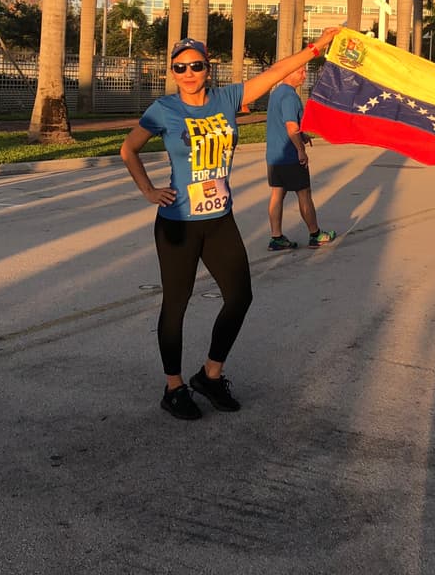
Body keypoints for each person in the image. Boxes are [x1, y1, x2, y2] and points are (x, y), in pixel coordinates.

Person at [120, 27, 340, 421]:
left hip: (220, 220)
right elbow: (128, 149)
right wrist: (149, 190)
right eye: (180, 67)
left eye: (196, 65)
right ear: (172, 72)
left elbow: (275, 73)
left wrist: (316, 47)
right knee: (176, 304)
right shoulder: (164, 109)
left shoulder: (227, 99)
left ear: (208, 68)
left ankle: (210, 375)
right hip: (178, 225)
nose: (188, 73)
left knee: (240, 297)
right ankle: (174, 388)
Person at [265, 64, 336, 251]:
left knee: (277, 193)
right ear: (288, 73)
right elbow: (291, 126)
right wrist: (300, 150)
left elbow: (284, 124)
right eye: (301, 71)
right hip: (290, 156)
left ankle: (276, 237)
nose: (304, 75)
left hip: (274, 156)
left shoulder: (276, 93)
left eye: (305, 71)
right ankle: (315, 235)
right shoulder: (290, 96)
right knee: (304, 193)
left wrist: (303, 136)